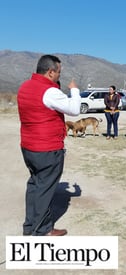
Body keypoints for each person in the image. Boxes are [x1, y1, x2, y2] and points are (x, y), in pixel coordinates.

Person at [17, 54, 81, 236]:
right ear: (51, 72)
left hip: (29, 147)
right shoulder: (49, 92)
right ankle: (41, 231)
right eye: (59, 72)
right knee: (44, 190)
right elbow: (74, 109)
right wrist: (74, 91)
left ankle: (30, 226)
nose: (60, 75)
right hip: (47, 148)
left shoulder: (25, 86)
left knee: (35, 186)